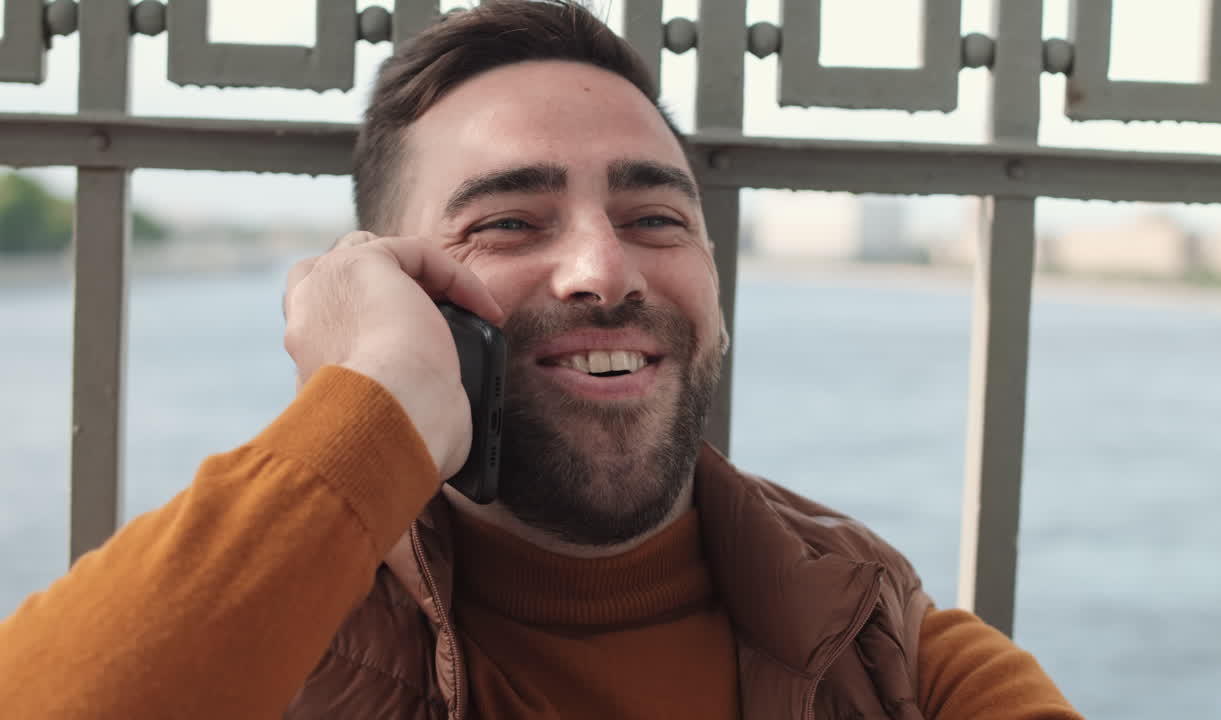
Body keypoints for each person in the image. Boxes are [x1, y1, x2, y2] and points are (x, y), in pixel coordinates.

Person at [0, 2, 1082, 718]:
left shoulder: (888, 653)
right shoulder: (265, 618)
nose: (602, 271)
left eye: (655, 218)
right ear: (401, 283)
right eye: (509, 224)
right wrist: (373, 398)